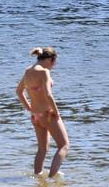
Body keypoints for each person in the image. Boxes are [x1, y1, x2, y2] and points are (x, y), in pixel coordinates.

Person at [16, 47, 69, 177]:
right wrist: (56, 112)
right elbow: (48, 95)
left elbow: (19, 91)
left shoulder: (28, 71)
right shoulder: (44, 72)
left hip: (36, 116)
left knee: (42, 149)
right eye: (54, 62)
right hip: (47, 114)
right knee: (64, 145)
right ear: (51, 59)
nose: (54, 66)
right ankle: (52, 177)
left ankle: (38, 176)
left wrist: (29, 108)